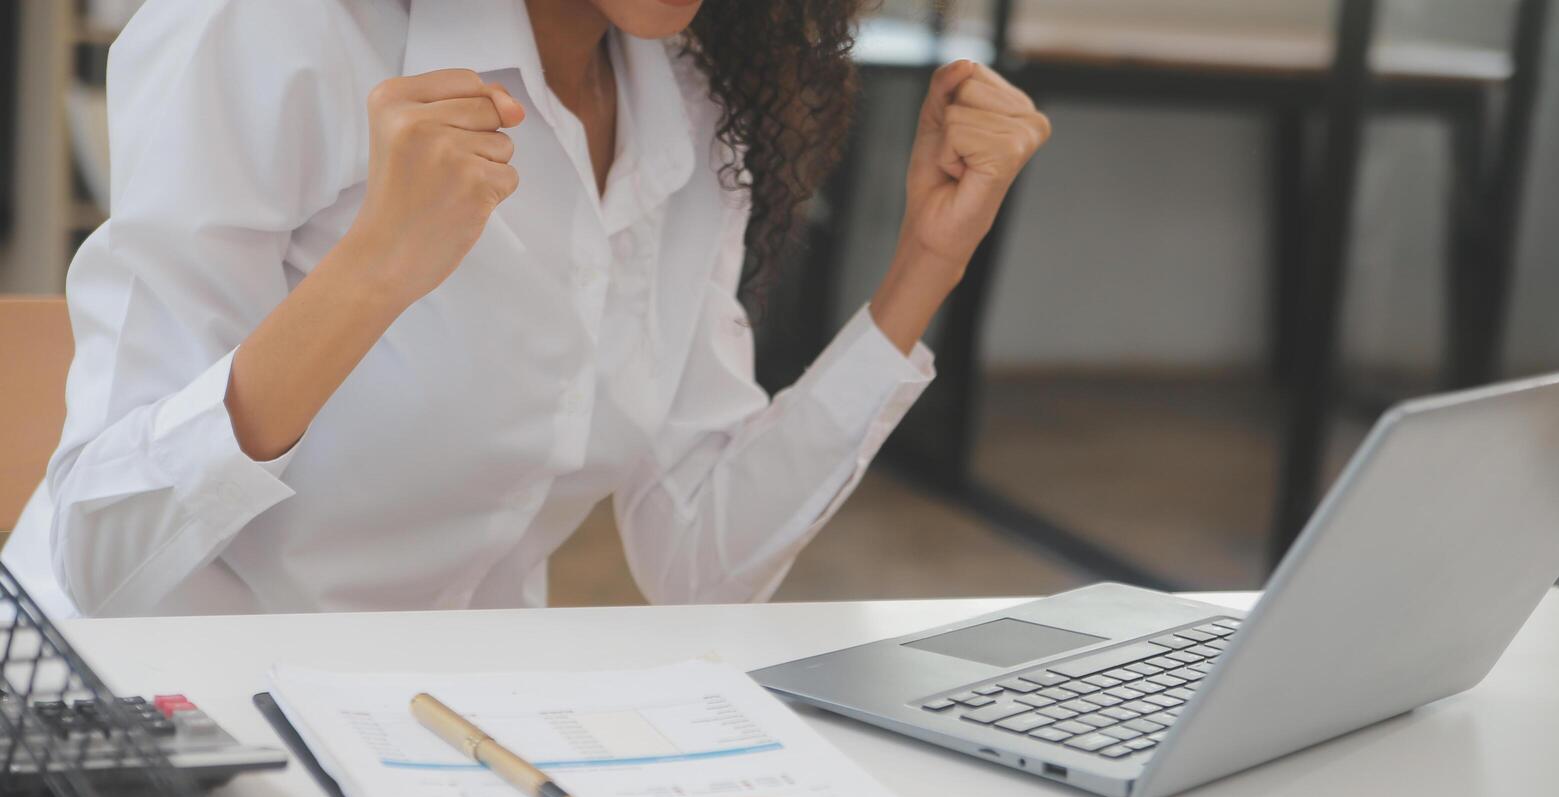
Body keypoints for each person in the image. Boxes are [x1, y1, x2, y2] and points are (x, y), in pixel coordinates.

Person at [1, 0, 1050, 618]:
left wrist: (925, 262)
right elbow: (102, 554)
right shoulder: (272, 29)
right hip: (148, 739)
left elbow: (701, 557)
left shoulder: (685, 95)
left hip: (444, 742)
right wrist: (370, 273)